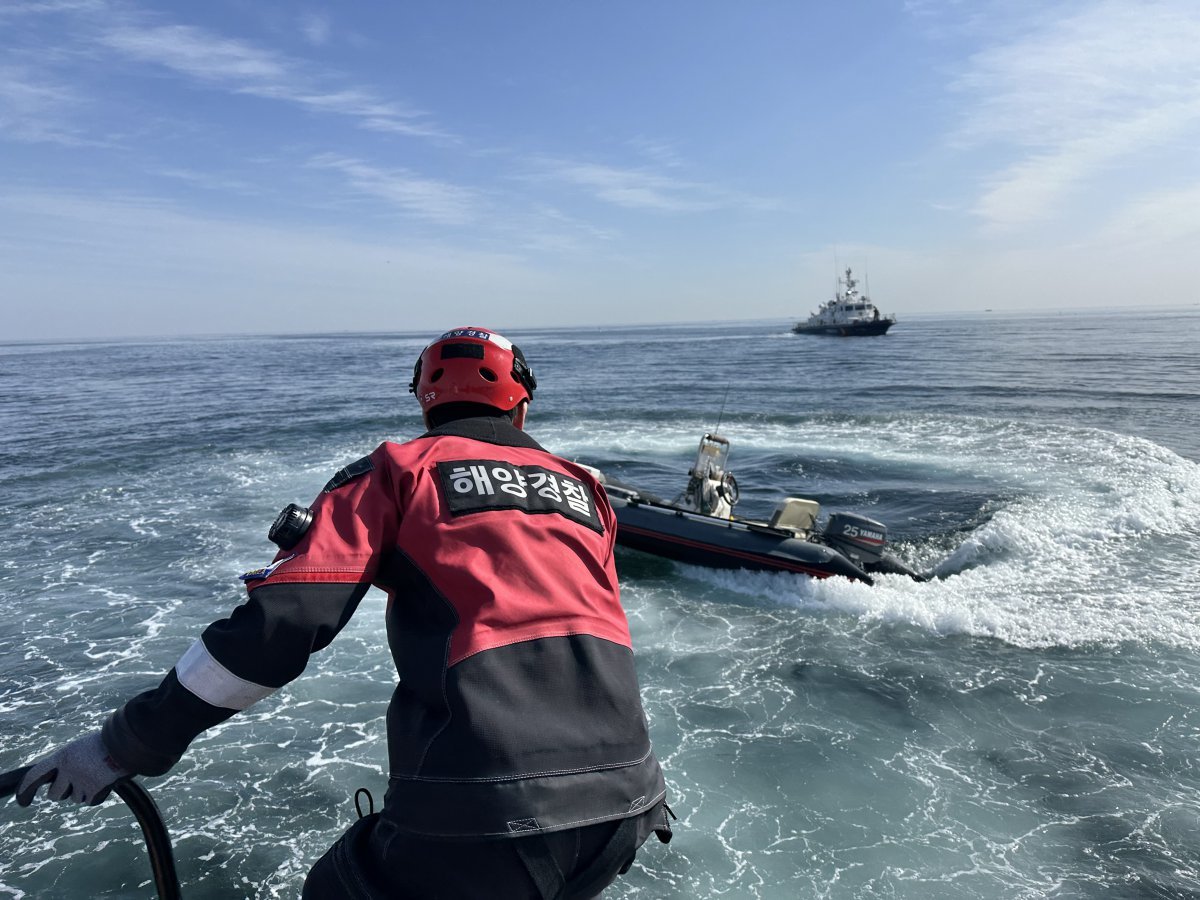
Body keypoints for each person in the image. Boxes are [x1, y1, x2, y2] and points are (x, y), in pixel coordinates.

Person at [17, 326, 672, 899]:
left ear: (425, 396)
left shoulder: (395, 471)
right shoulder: (586, 490)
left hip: (491, 804)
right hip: (628, 804)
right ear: (521, 404)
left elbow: (282, 625)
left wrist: (126, 742)